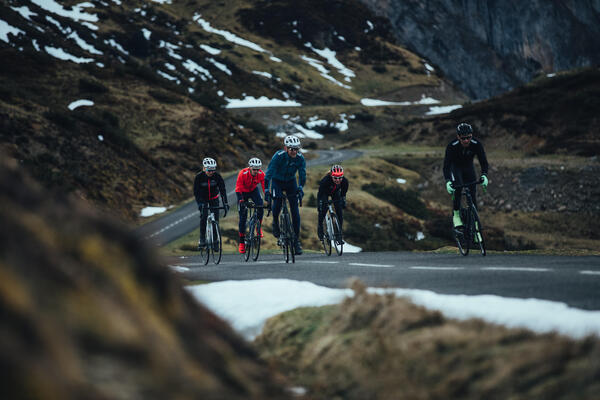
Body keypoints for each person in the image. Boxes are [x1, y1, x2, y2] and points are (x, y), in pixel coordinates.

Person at [264, 135, 306, 255]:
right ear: (285, 148)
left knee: (295, 211)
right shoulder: (278, 157)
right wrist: (267, 189)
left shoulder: (300, 158)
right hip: (277, 182)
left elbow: (302, 174)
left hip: (291, 182)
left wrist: (300, 187)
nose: (294, 151)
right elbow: (269, 173)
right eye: (291, 149)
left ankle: (296, 241)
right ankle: (275, 222)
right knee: (276, 204)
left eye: (296, 149)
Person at [443, 122, 489, 228]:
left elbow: (484, 162)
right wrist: (448, 181)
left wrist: (484, 175)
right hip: (456, 168)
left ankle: (475, 222)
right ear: (458, 137)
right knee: (458, 189)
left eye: (468, 138)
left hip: (468, 168)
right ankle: (456, 214)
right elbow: (446, 166)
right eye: (463, 138)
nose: (466, 141)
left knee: (472, 194)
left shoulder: (476, 144)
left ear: (471, 136)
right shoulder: (452, 146)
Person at [193, 157, 229, 249]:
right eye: (209, 170)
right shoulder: (199, 177)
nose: (211, 172)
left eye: (213, 170)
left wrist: (225, 203)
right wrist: (200, 204)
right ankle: (202, 239)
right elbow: (196, 192)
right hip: (203, 199)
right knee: (204, 216)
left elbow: (223, 190)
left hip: (214, 198)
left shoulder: (217, 176)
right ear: (204, 168)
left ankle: (215, 240)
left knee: (215, 219)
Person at [235, 157, 267, 254]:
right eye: (254, 169)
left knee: (260, 206)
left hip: (253, 191)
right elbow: (238, 188)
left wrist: (268, 198)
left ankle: (258, 227)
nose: (256, 171)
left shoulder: (261, 174)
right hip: (242, 192)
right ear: (250, 168)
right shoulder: (242, 173)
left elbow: (264, 186)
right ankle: (241, 242)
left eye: (258, 169)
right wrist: (241, 200)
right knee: (243, 217)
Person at [317, 165, 348, 241]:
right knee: (322, 210)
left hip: (335, 193)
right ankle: (320, 228)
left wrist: (343, 201)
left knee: (339, 212)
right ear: (331, 176)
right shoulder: (325, 181)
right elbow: (320, 194)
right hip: (324, 193)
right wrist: (320, 204)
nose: (338, 180)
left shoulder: (345, 182)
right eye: (335, 178)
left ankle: (339, 234)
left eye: (340, 178)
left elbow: (343, 194)